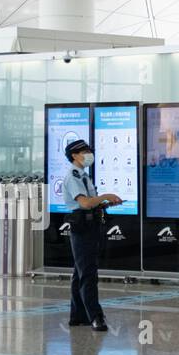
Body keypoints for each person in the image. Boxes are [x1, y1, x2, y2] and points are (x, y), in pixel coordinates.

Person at [61, 139, 121, 332]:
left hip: (90, 224)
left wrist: (105, 203)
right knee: (88, 273)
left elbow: (90, 203)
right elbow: (85, 203)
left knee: (80, 273)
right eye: (84, 151)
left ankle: (78, 316)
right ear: (74, 155)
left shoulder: (83, 175)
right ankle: (95, 316)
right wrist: (105, 195)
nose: (89, 154)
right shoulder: (73, 176)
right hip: (82, 227)